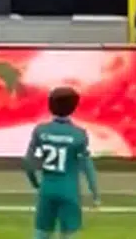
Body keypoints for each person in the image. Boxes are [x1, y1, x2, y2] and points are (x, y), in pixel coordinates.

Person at [24, 85, 101, 238]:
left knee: (42, 232)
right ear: (74, 107)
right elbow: (87, 166)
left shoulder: (41, 131)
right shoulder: (78, 134)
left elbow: (28, 162)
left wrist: (35, 184)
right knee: (69, 233)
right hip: (69, 190)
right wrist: (95, 193)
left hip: (47, 189)